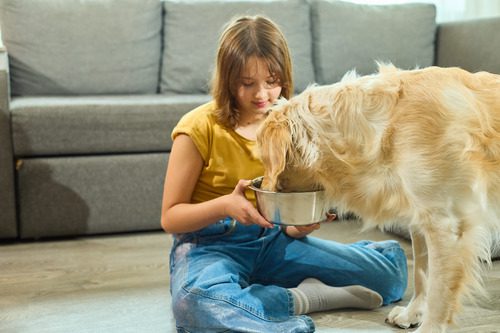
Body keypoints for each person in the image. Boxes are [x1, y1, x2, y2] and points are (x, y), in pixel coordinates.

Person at [161, 15, 408, 333]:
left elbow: (289, 214)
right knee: (194, 305)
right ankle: (298, 299)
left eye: (272, 80)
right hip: (210, 245)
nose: (262, 94)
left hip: (274, 240)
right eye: (247, 83)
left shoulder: (292, 121)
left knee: (390, 276)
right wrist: (225, 206)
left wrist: (297, 227)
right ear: (227, 79)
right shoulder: (197, 128)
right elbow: (170, 217)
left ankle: (253, 301)